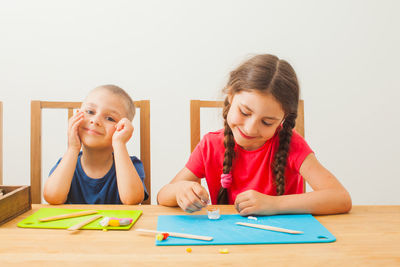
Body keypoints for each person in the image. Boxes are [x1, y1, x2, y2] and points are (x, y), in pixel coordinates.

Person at [158, 54, 351, 216]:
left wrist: (273, 205)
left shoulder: (291, 144)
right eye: (245, 112)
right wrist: (180, 191)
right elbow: (162, 195)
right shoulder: (211, 145)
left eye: (267, 122)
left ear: (283, 119)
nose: (250, 129)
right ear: (231, 96)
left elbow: (340, 198)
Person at [44, 85, 148, 204]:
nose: (95, 120)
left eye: (109, 118)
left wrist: (119, 143)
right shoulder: (66, 163)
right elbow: (52, 197)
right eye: (90, 112)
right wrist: (73, 148)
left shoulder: (132, 165)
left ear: (122, 128)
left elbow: (132, 200)